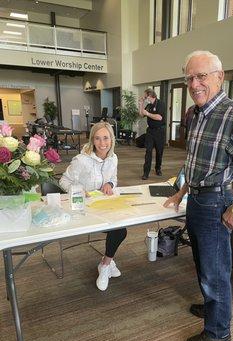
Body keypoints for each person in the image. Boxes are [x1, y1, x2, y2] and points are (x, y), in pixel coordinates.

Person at [164, 50, 233, 341]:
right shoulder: (198, 113)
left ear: (220, 77)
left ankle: (219, 332)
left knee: (216, 271)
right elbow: (195, 165)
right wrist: (180, 192)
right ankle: (214, 308)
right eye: (189, 78)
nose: (195, 84)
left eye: (201, 76)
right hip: (196, 201)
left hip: (215, 204)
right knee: (202, 264)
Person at [60, 121, 127, 291]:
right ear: (92, 140)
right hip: (83, 208)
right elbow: (63, 181)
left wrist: (110, 184)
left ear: (112, 139)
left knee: (121, 228)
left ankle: (105, 263)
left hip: (103, 204)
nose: (102, 143)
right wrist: (78, 190)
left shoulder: (113, 158)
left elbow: (115, 178)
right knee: (118, 229)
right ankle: (106, 265)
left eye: (106, 138)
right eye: (97, 138)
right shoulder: (82, 160)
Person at [139, 89, 166, 180]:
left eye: (145, 96)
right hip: (150, 132)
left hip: (159, 131)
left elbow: (159, 117)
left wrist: (148, 113)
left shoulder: (161, 104)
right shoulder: (149, 105)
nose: (145, 98)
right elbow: (141, 114)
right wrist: (141, 104)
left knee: (159, 152)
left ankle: (158, 168)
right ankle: (146, 172)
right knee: (148, 152)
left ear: (150, 95)